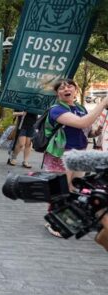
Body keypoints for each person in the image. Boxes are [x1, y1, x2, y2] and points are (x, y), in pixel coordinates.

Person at [42, 79, 107, 237]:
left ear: (76, 90)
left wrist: (95, 132)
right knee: (61, 189)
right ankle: (54, 223)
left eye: (69, 86)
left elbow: (85, 129)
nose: (66, 89)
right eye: (61, 88)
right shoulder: (56, 109)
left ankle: (63, 219)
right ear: (57, 93)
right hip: (61, 153)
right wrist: (103, 102)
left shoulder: (80, 108)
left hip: (79, 154)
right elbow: (80, 123)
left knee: (74, 190)